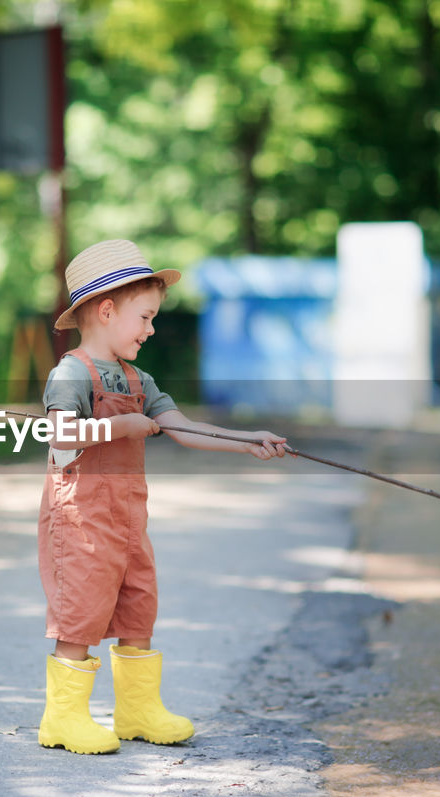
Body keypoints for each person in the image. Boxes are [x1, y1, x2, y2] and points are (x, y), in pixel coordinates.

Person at [36, 239, 287, 754]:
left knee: (138, 605)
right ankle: (62, 719)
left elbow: (184, 428)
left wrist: (247, 440)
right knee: (81, 609)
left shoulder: (138, 378)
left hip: (128, 518)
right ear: (107, 310)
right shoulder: (71, 373)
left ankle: (137, 710)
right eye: (146, 317)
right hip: (81, 519)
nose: (152, 329)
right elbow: (61, 433)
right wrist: (119, 424)